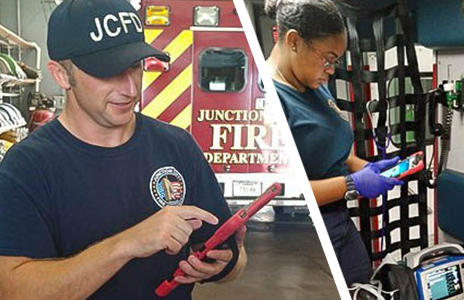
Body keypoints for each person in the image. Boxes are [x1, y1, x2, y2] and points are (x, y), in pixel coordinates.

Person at [0, 0, 245, 299]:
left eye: (135, 66)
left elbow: (233, 262)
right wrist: (127, 244)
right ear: (61, 75)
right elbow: (14, 291)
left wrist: (225, 263)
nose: (130, 89)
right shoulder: (26, 167)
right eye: (107, 72)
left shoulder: (178, 146)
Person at [264, 0, 403, 286]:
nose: (331, 69)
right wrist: (353, 184)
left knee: (363, 285)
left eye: (336, 60)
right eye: (327, 58)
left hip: (339, 219)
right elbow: (283, 191)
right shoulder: (272, 98)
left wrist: (369, 169)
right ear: (294, 41)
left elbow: (335, 149)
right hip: (307, 230)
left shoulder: (313, 82)